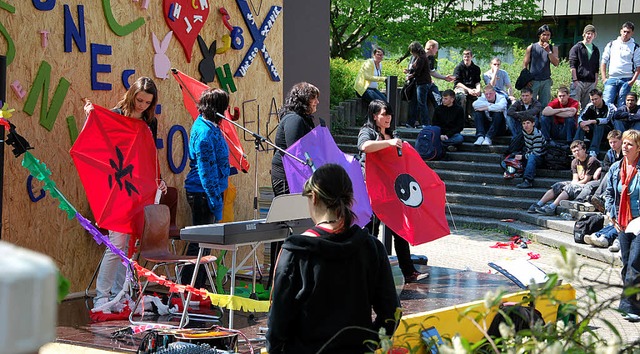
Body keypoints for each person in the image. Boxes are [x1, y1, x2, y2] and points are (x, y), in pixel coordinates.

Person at [266, 163, 400, 353]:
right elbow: (391, 314)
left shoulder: (296, 252)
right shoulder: (372, 248)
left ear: (313, 198)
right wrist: (368, 343)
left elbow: (277, 326)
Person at [83, 77, 167, 310]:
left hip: (138, 189)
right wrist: (91, 116)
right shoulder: (115, 115)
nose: (142, 106)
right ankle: (102, 295)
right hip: (116, 187)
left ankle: (122, 293)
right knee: (117, 243)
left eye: (148, 103)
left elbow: (149, 156)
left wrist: (158, 180)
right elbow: (95, 142)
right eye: (139, 100)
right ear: (131, 95)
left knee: (129, 244)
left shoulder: (150, 122)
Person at [358, 100, 427, 283]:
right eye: (383, 114)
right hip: (372, 190)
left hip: (392, 189)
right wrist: (389, 144)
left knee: (400, 230)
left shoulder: (393, 134)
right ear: (374, 116)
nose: (388, 118)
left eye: (389, 114)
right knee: (371, 231)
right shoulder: (367, 131)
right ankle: (367, 272)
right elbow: (364, 147)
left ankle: (409, 272)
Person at [269, 82, 325, 287]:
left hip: (296, 176)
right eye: (313, 98)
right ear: (303, 99)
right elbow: (296, 152)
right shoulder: (294, 119)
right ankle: (281, 278)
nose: (317, 102)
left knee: (293, 226)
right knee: (287, 226)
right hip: (286, 176)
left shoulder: (303, 119)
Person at [181, 88, 231, 287]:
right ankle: (188, 287)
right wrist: (216, 203)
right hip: (203, 193)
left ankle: (198, 287)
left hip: (208, 191)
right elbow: (206, 173)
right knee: (199, 244)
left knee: (205, 244)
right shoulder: (203, 133)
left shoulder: (211, 127)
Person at [604, 129, 640, 322]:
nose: (624, 147)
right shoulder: (616, 168)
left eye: (629, 144)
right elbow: (609, 192)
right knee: (627, 264)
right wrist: (611, 212)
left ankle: (630, 307)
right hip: (623, 222)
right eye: (623, 143)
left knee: (635, 263)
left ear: (638, 148)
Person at [527, 140, 600, 216]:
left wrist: (570, 186)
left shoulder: (591, 160)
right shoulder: (574, 162)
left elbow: (586, 180)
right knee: (558, 185)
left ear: (584, 150)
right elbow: (575, 179)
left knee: (569, 188)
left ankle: (552, 207)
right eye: (574, 151)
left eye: (578, 150)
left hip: (589, 187)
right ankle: (539, 204)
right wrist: (570, 185)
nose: (576, 153)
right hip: (579, 184)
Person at [600, 22, 640, 108]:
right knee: (606, 102)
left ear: (632, 33)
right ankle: (606, 121)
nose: (625, 34)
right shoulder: (611, 44)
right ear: (621, 31)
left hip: (626, 80)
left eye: (628, 32)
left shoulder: (635, 47)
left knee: (622, 105)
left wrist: (632, 81)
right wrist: (604, 79)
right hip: (611, 79)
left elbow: (638, 66)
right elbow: (604, 61)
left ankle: (619, 121)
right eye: (624, 31)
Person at [523, 24, 559, 108]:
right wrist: (526, 79)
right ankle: (531, 120)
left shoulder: (553, 48)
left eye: (548, 35)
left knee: (544, 105)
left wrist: (549, 51)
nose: (546, 37)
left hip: (546, 80)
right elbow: (525, 64)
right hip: (533, 81)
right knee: (531, 104)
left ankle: (542, 120)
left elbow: (556, 63)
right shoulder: (531, 47)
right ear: (539, 35)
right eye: (544, 34)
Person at [575, 89, 617, 155]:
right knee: (581, 125)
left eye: (596, 99)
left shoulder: (609, 106)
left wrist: (590, 122)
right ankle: (576, 146)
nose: (594, 101)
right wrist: (581, 123)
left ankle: (593, 150)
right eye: (592, 99)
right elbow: (581, 117)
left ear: (601, 97)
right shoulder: (590, 106)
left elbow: (606, 120)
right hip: (593, 130)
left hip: (607, 132)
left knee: (599, 125)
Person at [569, 24, 600, 109]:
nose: (589, 36)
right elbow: (572, 65)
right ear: (584, 34)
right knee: (573, 106)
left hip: (591, 82)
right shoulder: (576, 48)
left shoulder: (595, 49)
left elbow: (596, 66)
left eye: (591, 34)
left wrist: (596, 81)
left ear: (594, 36)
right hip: (578, 81)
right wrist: (575, 80)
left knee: (588, 107)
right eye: (588, 33)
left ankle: (584, 122)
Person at [405, 41, 432, 127]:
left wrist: (410, 76)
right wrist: (409, 71)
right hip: (420, 83)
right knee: (415, 102)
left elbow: (418, 72)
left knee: (421, 103)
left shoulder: (421, 58)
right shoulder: (420, 57)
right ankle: (411, 122)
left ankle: (425, 123)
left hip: (422, 83)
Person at [514, 116, 546, 189]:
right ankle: (520, 171)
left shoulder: (536, 134)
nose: (526, 125)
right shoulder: (524, 132)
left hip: (541, 157)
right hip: (530, 153)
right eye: (523, 123)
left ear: (533, 124)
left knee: (531, 157)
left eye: (528, 123)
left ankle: (528, 180)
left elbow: (536, 153)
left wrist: (522, 156)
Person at [453, 49, 482, 125]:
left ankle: (474, 120)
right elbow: (457, 83)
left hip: (472, 88)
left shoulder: (476, 68)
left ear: (471, 57)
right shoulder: (458, 68)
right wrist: (468, 90)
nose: (466, 58)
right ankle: (460, 120)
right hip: (461, 88)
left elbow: (477, 81)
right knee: (461, 96)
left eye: (468, 56)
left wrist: (478, 90)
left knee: (481, 97)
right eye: (465, 56)